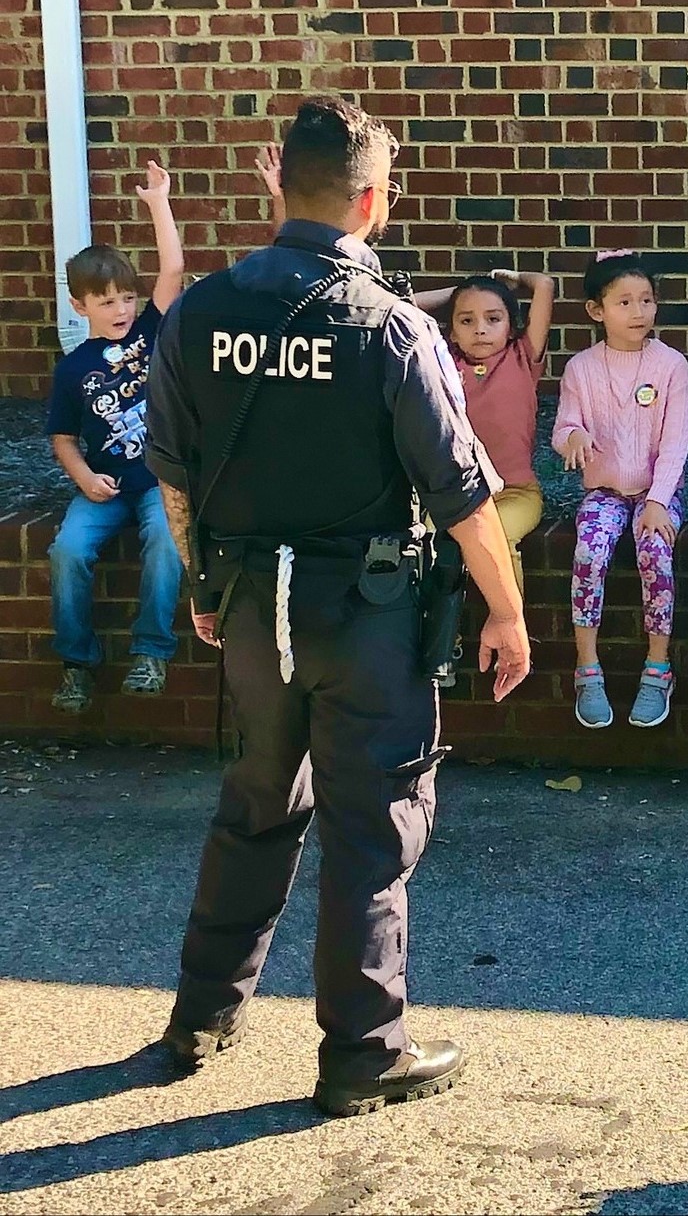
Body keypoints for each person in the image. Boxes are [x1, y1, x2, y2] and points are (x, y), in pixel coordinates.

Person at [144, 97, 531, 1117]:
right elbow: (461, 492)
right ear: (373, 198)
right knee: (370, 824)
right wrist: (507, 611)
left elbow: (173, 471)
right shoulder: (394, 325)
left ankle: (198, 1017)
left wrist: (202, 583)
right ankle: (362, 1051)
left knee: (255, 804)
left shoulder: (201, 310)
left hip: (248, 602)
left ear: (280, 182)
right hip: (363, 613)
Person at [45, 162, 186, 712]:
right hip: (101, 485)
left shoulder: (152, 330)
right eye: (106, 301)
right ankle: (76, 663)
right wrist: (84, 478)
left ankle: (151, 653)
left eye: (126, 297)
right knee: (66, 551)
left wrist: (158, 203)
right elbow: (62, 438)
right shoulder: (73, 367)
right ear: (80, 307)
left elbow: (172, 268)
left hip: (155, 480)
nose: (122, 309)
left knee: (166, 544)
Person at [553, 251, 688, 730]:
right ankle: (587, 668)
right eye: (625, 302)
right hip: (605, 491)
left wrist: (657, 501)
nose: (639, 312)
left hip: (658, 491)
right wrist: (572, 437)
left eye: (647, 301)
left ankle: (658, 667)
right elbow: (564, 426)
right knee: (589, 552)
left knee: (655, 548)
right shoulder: (581, 368)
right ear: (597, 311)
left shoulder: (672, 366)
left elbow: (677, 443)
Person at [416, 267, 555, 596]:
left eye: (493, 319)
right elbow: (404, 305)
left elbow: (545, 285)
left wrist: (512, 279)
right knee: (429, 543)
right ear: (451, 332)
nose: (480, 329)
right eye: (466, 320)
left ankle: (514, 637)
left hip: (516, 493)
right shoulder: (444, 362)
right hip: (457, 496)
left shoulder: (523, 356)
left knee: (497, 538)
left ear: (510, 327)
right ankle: (444, 640)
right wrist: (462, 292)